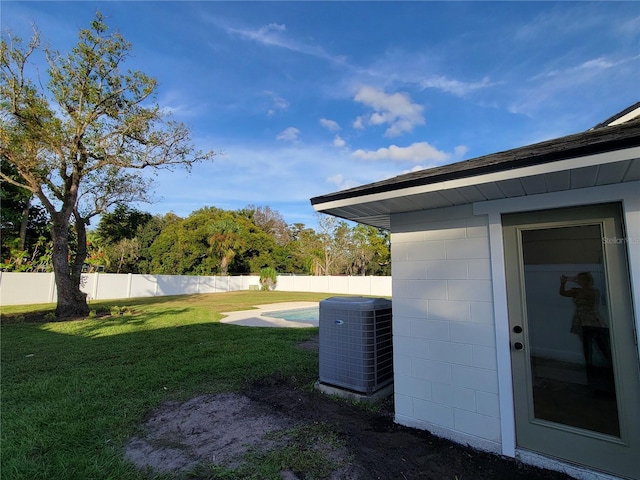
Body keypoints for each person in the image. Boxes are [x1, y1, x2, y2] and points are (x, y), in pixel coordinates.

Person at [559, 272, 613, 392]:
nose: (579, 281)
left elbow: (589, 297)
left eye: (582, 280)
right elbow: (562, 293)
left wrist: (576, 284)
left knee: (603, 348)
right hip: (582, 321)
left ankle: (610, 373)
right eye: (579, 279)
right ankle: (592, 376)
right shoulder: (577, 291)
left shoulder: (592, 292)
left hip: (593, 321)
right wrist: (563, 283)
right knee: (588, 349)